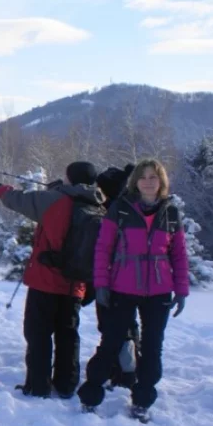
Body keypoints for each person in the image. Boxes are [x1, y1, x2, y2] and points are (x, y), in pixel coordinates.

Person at [0, 162, 104, 398]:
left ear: (68, 178)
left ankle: (38, 385)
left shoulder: (54, 200)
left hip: (45, 281)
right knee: (68, 334)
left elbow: (20, 200)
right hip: (75, 284)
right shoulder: (98, 205)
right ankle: (66, 384)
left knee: (38, 334)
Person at [78, 159, 188, 422]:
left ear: (161, 181)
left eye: (154, 177)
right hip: (122, 287)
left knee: (152, 348)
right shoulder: (121, 209)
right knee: (111, 344)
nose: (149, 181)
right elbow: (103, 249)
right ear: (135, 182)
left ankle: (142, 400)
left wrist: (181, 289)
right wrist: (101, 284)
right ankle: (91, 397)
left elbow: (179, 254)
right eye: (143, 177)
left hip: (159, 291)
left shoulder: (170, 212)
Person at [94, 163, 139, 389]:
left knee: (116, 329)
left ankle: (124, 373)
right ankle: (126, 369)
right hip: (129, 280)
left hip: (114, 280)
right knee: (128, 326)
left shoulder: (112, 211)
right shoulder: (134, 207)